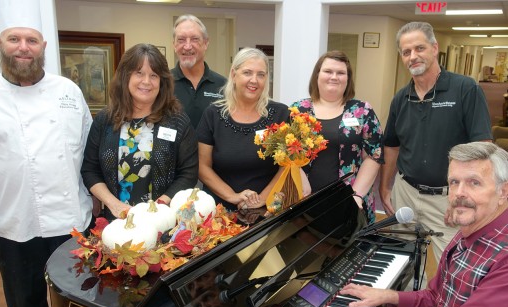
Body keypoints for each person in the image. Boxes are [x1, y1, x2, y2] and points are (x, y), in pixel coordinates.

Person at [318, 141, 508, 307]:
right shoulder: (470, 230)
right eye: (454, 182)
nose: (460, 193)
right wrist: (389, 296)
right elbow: (436, 298)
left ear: (504, 192)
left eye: (474, 183)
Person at [0, 1, 96, 307]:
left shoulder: (68, 90)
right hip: (13, 217)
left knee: (79, 294)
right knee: (25, 300)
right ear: (2, 44)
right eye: (14, 39)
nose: (23, 47)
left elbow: (91, 150)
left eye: (31, 40)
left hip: (71, 215)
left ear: (43, 47)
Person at [379, 21, 492, 265]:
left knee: (453, 266)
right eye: (406, 52)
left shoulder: (465, 89)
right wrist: (385, 187)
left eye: (419, 48)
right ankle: (407, 302)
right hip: (406, 192)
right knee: (401, 261)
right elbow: (392, 145)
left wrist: (463, 197)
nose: (413, 56)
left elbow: (483, 148)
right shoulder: (400, 98)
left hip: (447, 198)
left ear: (434, 48)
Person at [81, 43, 198, 220]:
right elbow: (90, 170)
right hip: (117, 221)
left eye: (154, 75)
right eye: (139, 73)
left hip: (163, 221)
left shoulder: (177, 121)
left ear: (162, 81)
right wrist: (114, 205)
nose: (146, 81)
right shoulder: (105, 120)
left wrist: (158, 207)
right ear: (125, 76)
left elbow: (188, 173)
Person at [293, 50, 384, 224]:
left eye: (341, 73)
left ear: (348, 79)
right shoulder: (298, 110)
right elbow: (286, 155)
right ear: (317, 75)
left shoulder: (362, 110)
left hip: (350, 201)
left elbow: (374, 155)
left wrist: (355, 195)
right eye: (328, 71)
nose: (334, 77)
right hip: (303, 201)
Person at [197, 47, 290, 211]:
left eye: (261, 74)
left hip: (267, 210)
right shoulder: (213, 115)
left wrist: (261, 199)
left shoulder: (281, 115)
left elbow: (287, 166)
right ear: (233, 75)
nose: (254, 80)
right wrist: (233, 196)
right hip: (220, 211)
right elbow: (202, 166)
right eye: (247, 73)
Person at [172, 14, 227, 129]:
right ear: (174, 45)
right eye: (181, 40)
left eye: (194, 39)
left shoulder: (224, 85)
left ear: (206, 43)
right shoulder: (162, 83)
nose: (187, 46)